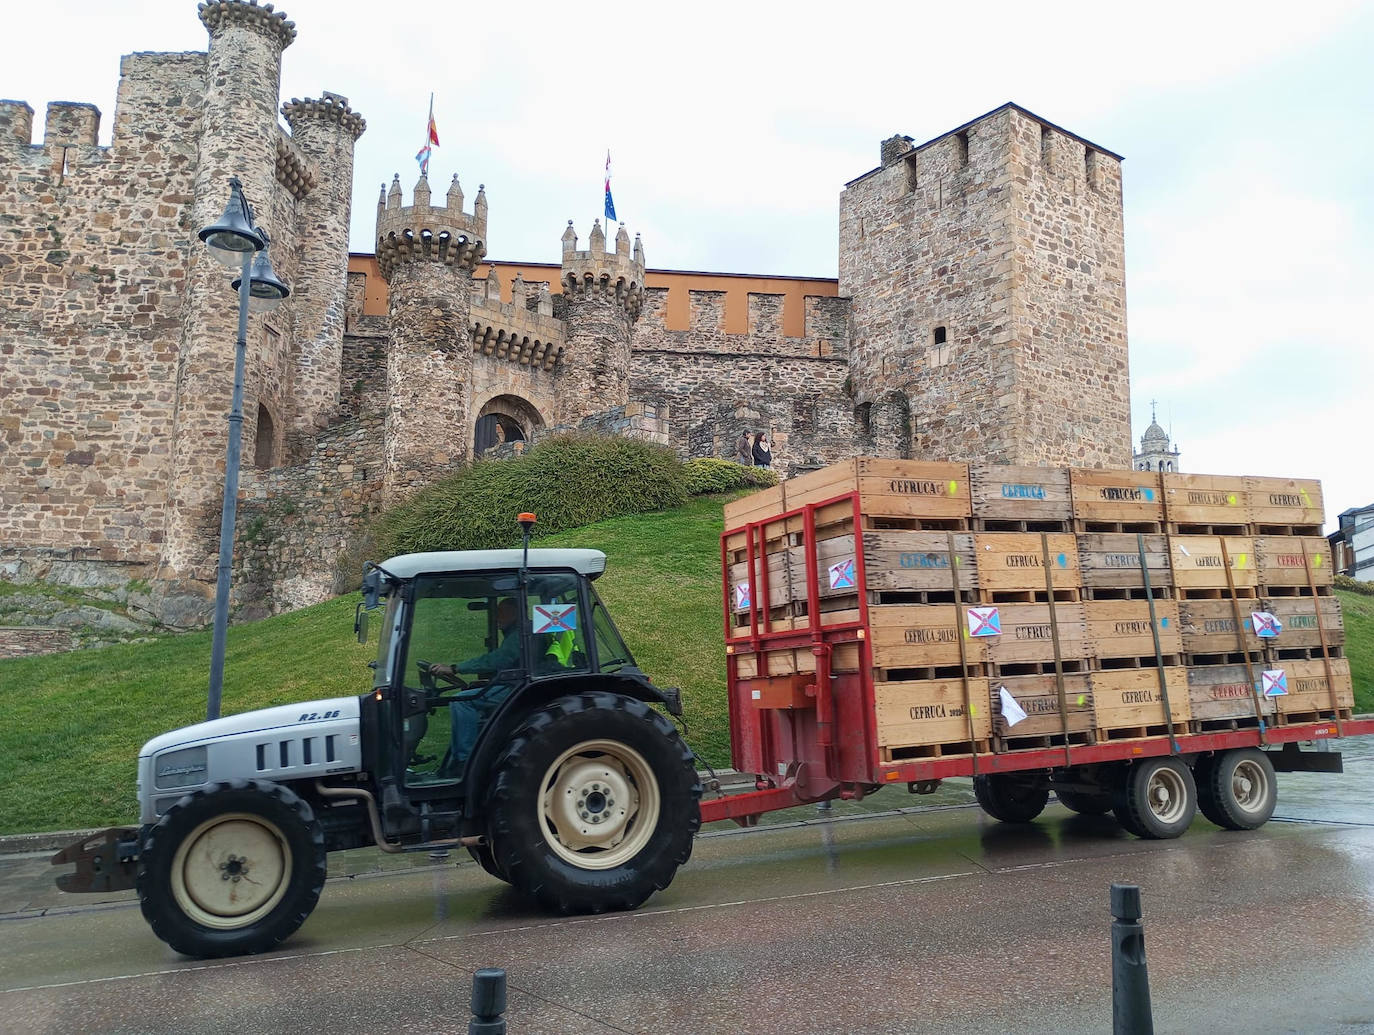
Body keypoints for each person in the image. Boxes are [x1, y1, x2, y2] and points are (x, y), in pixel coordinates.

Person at [430, 597, 520, 769]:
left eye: (502, 613)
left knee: (463, 702)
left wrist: (455, 668)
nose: (497, 617)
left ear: (515, 613)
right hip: (511, 682)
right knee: (466, 696)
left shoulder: (518, 636)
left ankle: (466, 762)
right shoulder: (515, 634)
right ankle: (456, 760)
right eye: (497, 612)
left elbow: (495, 660)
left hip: (515, 687)